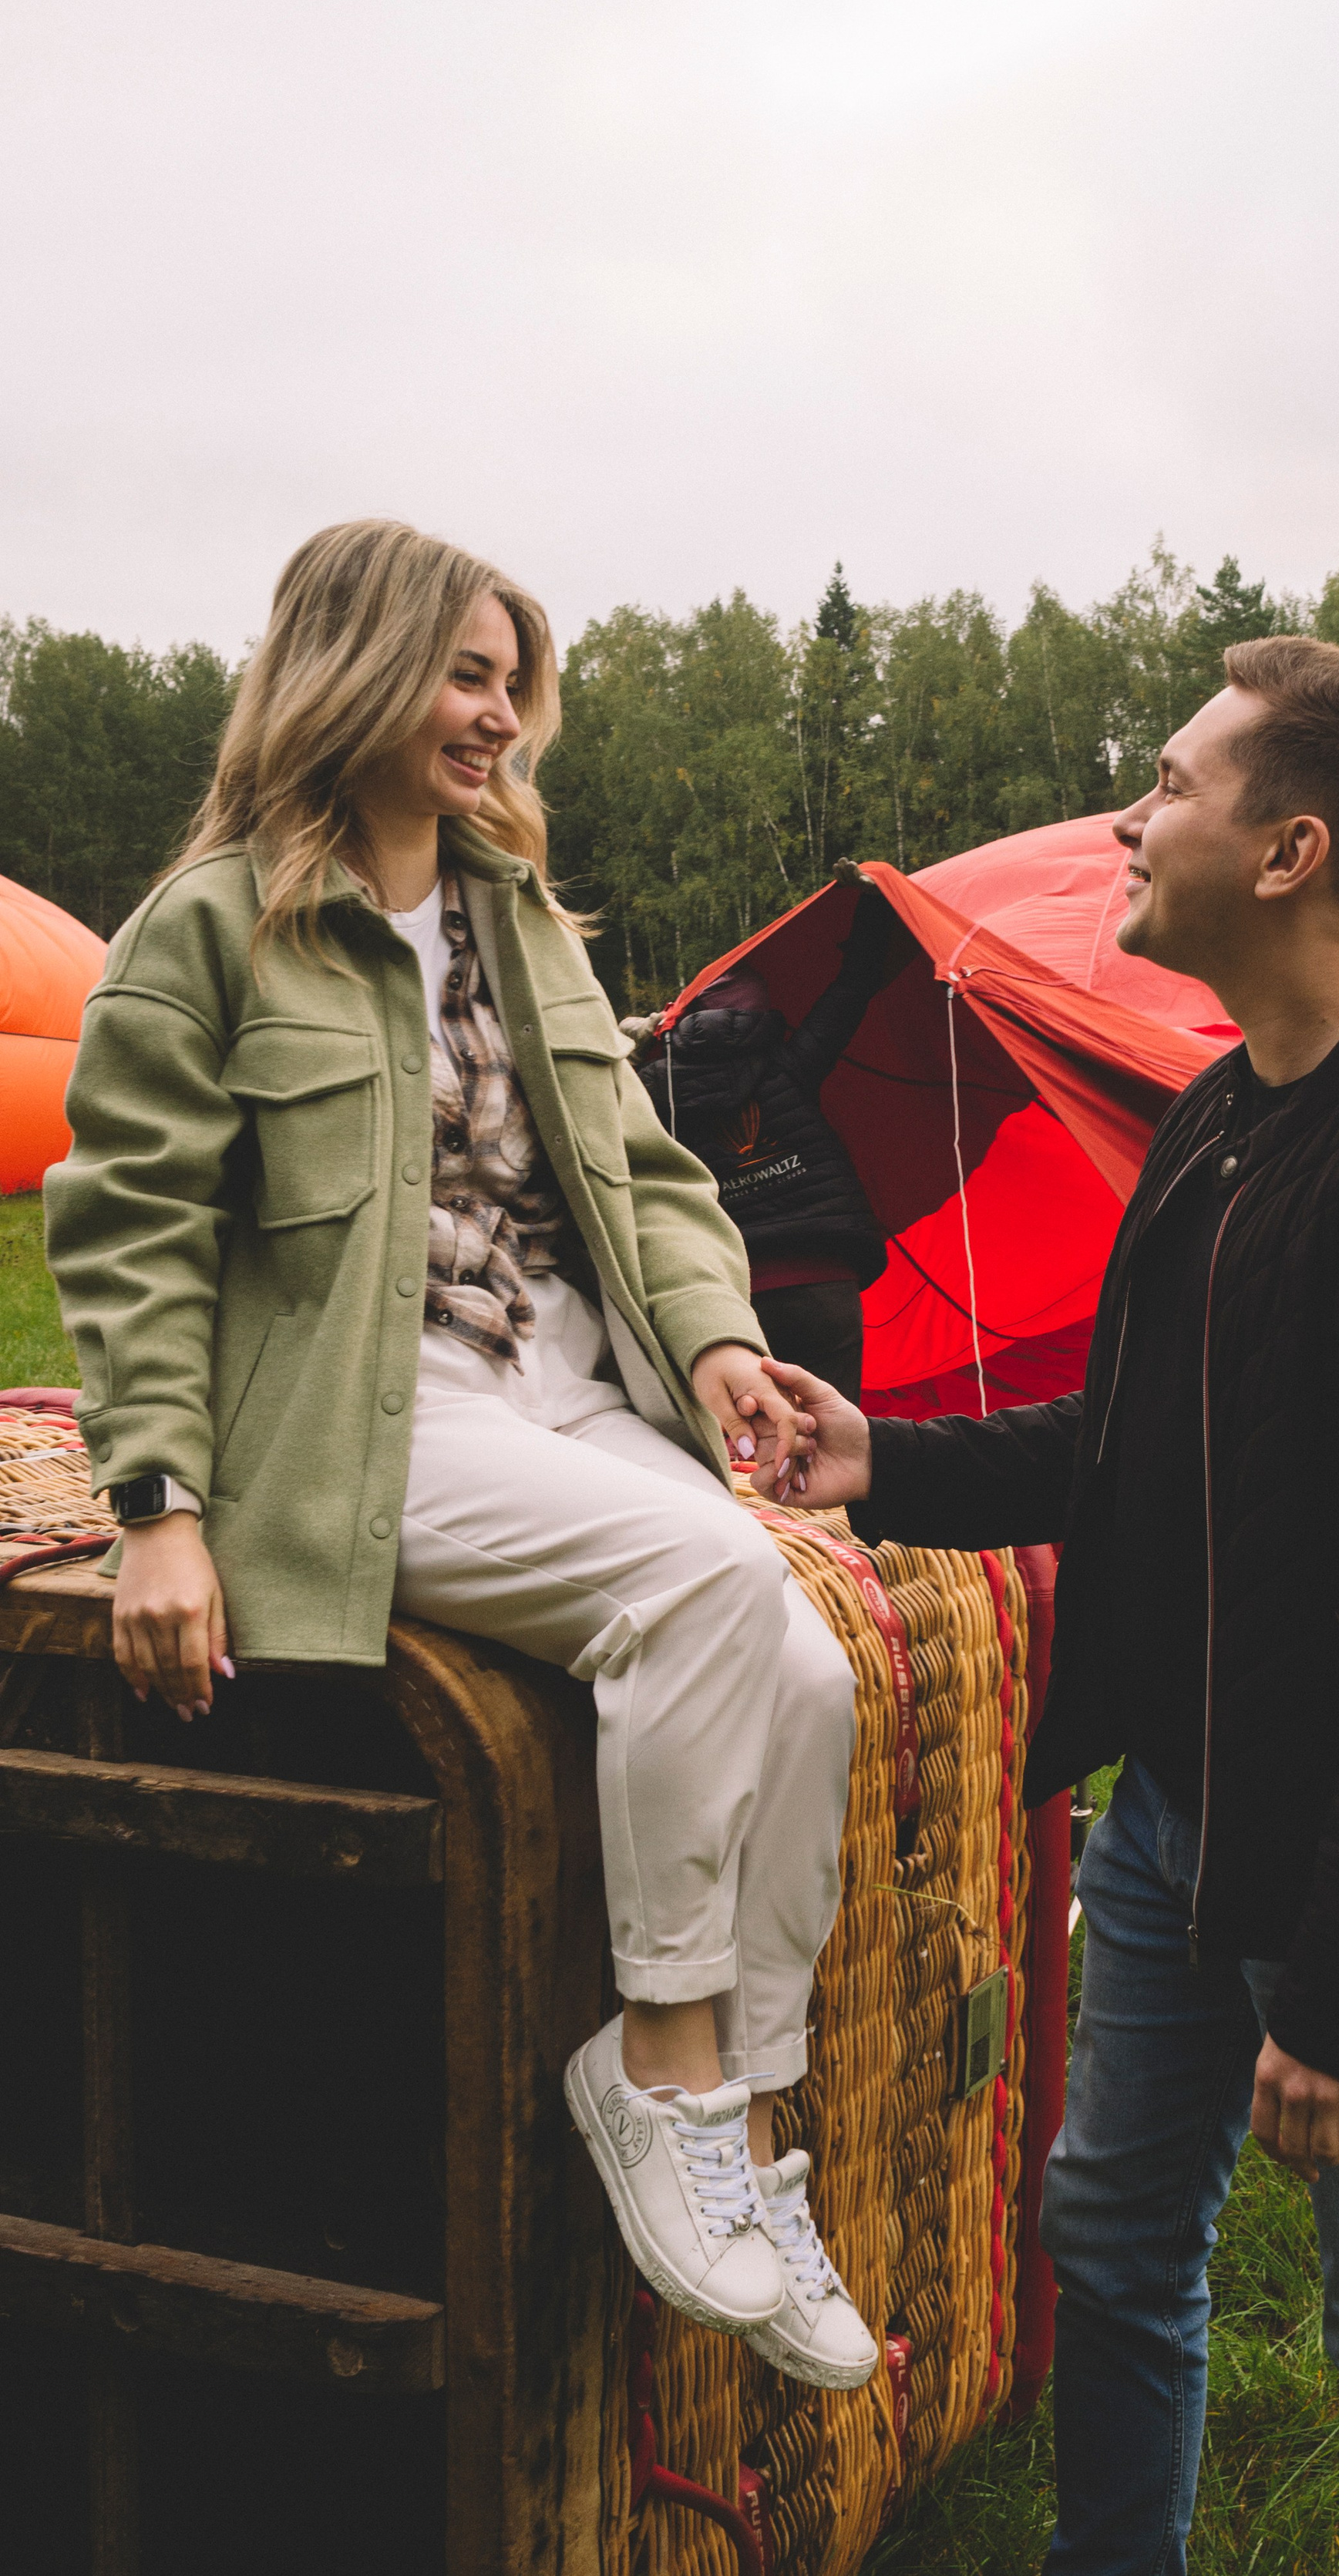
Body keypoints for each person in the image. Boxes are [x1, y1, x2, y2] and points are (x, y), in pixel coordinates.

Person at [778, 636, 1339, 2571]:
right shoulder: (1223, 1114)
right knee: (1111, 2244)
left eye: (1168, 785)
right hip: (1167, 1831)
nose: (1125, 824)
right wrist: (880, 1458)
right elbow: (1133, 1437)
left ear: (1289, 851)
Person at [42, 519, 873, 2392]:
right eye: (463, 674)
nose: (497, 715)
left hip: (569, 1380)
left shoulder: (524, 925)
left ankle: (746, 2142)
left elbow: (649, 1175)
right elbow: (128, 1227)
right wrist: (157, 1506)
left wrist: (714, 1335)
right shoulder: (210, 928)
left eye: (513, 683)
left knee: (807, 1671)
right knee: (708, 1580)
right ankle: (656, 2069)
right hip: (364, 1415)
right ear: (353, 671)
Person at [624, 885, 903, 1401]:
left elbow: (582, 1119)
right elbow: (851, 989)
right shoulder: (790, 1066)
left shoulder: (649, 1090)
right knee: (833, 1430)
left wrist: (623, 1055)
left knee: (746, 1436)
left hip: (728, 1297)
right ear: (760, 1015)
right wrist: (875, 907)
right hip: (825, 1280)